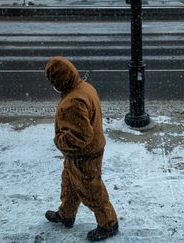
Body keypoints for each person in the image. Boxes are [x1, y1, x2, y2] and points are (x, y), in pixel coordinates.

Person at [44, 56, 119, 241]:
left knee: (92, 190)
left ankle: (108, 224)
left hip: (84, 156)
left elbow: (81, 136)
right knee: (69, 184)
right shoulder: (84, 87)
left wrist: (60, 141)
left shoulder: (73, 102)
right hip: (84, 153)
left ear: (60, 81)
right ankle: (66, 214)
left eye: (53, 81)